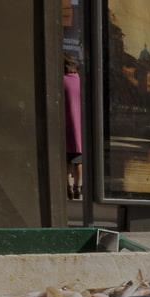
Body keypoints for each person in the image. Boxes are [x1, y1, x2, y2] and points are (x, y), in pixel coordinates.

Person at [64, 53, 83, 200]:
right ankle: (78, 187)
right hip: (79, 128)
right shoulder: (79, 80)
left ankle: (68, 187)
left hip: (66, 126)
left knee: (67, 161)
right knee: (78, 160)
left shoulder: (62, 80)